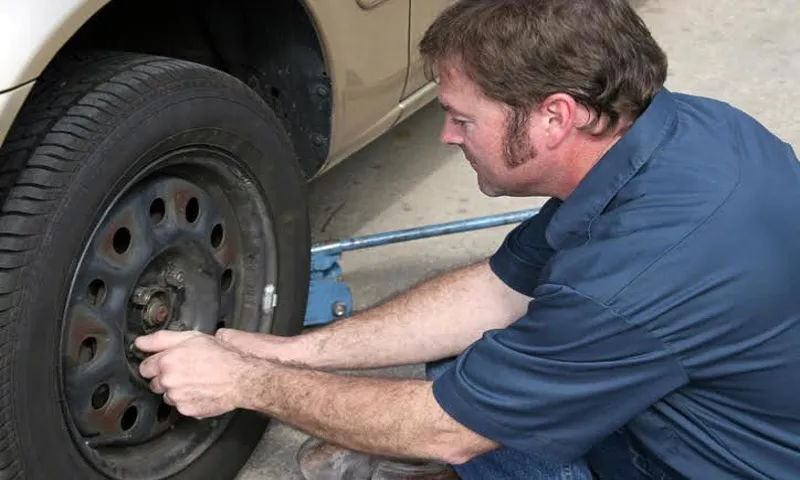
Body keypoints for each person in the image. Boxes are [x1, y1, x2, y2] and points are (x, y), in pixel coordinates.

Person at [134, 0, 800, 478]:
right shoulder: (686, 131)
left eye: (461, 117)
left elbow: (444, 428)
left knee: (469, 411)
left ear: (554, 118)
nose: (448, 137)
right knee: (473, 355)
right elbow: (497, 291)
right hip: (714, 394)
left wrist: (246, 383)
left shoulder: (642, 271)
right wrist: (291, 353)